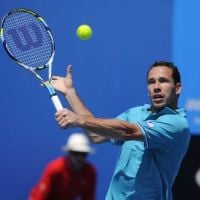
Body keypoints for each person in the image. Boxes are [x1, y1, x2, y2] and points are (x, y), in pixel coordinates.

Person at [52, 61, 191, 200]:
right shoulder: (135, 114)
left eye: (163, 81)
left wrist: (78, 119)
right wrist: (70, 93)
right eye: (151, 82)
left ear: (177, 88)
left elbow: (128, 132)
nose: (156, 87)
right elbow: (96, 135)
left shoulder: (177, 124)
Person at [29, 133, 97, 200]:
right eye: (76, 153)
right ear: (69, 153)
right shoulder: (54, 168)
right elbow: (40, 196)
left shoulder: (90, 172)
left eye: (84, 154)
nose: (79, 158)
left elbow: (88, 197)